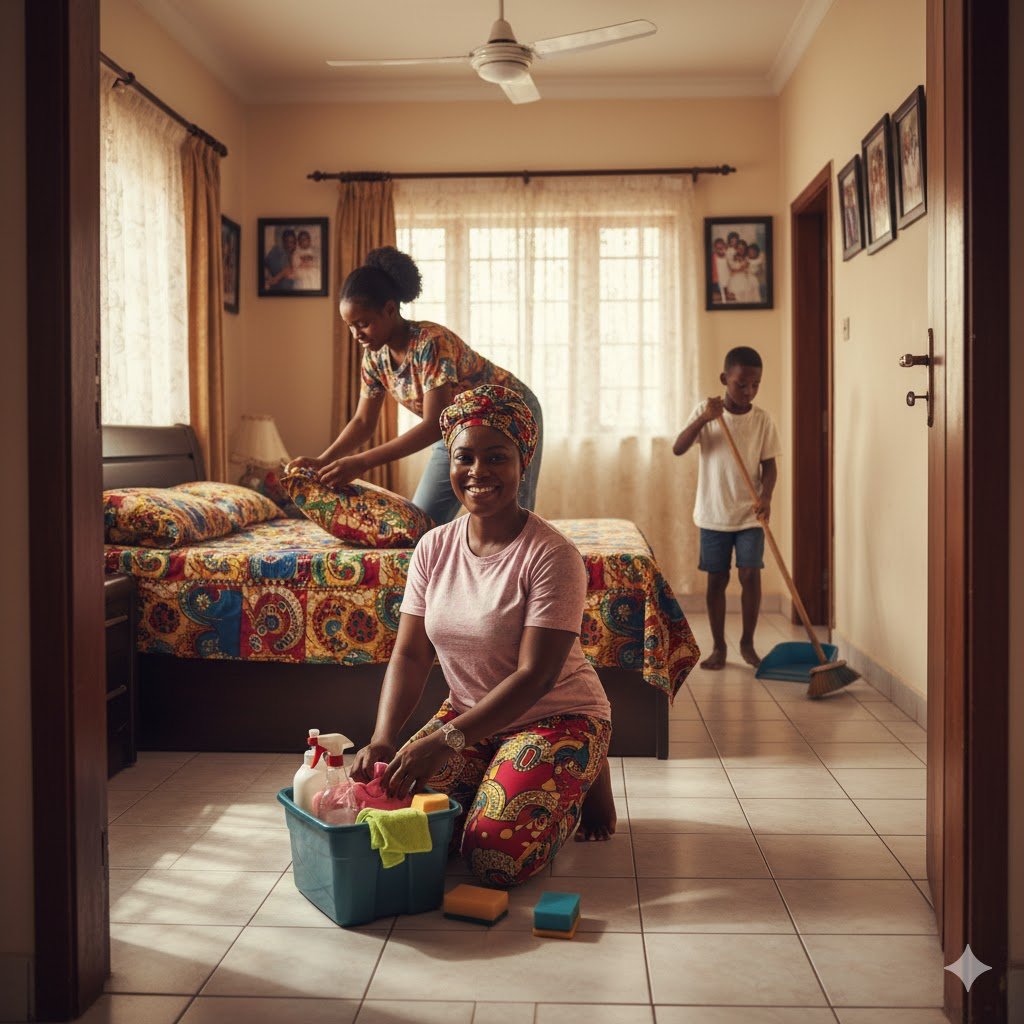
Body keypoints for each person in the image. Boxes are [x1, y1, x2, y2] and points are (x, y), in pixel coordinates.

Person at [348, 385, 615, 888]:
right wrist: (384, 738)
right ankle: (503, 772)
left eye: (496, 457)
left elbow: (535, 677)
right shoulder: (433, 548)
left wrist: (445, 741)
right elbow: (410, 654)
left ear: (523, 462)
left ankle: (582, 769)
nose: (478, 471)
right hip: (469, 714)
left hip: (555, 717)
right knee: (392, 818)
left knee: (493, 858)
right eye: (464, 457)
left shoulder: (553, 556)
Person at [287, 247, 544, 525]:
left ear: (390, 309)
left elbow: (433, 423)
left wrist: (362, 462)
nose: (356, 334)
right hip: (454, 428)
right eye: (350, 326)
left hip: (510, 416)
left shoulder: (430, 342)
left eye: (363, 323)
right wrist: (323, 460)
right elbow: (363, 422)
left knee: (510, 517)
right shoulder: (374, 357)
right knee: (420, 525)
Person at [672, 346, 781, 670]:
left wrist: (767, 497)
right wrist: (703, 418)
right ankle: (719, 647)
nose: (748, 391)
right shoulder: (708, 413)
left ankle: (747, 643)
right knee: (717, 579)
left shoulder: (762, 420)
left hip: (750, 513)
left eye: (755, 385)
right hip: (714, 513)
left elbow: (769, 466)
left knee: (750, 573)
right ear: (724, 379)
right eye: (741, 384)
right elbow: (678, 448)